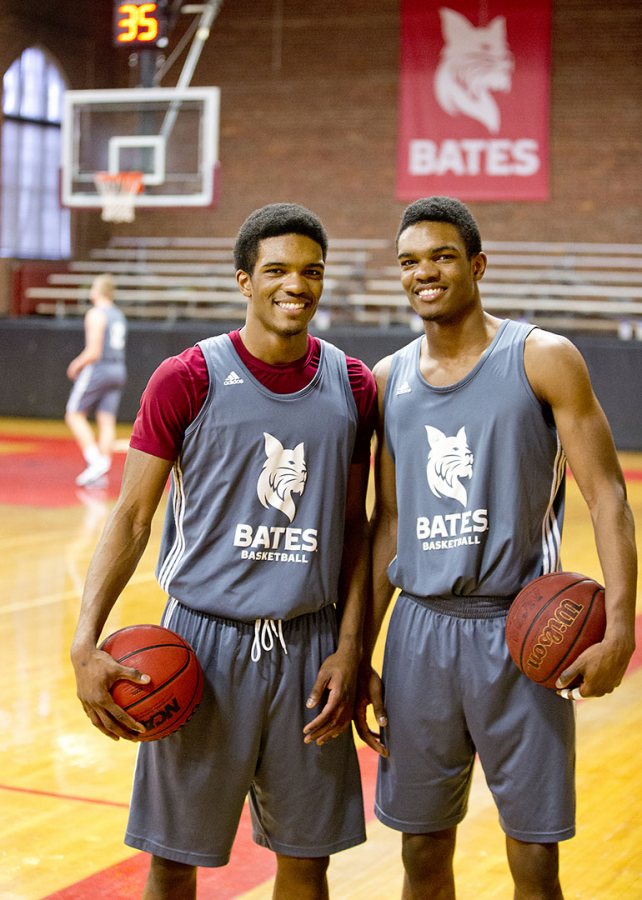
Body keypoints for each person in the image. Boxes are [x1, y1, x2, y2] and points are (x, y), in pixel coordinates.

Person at [70, 203, 376, 900]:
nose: (295, 284)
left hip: (308, 642)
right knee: (175, 860)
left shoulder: (354, 386)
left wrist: (352, 646)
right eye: (276, 270)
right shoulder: (187, 378)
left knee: (306, 861)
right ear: (244, 280)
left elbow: (355, 526)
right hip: (202, 646)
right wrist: (85, 641)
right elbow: (131, 515)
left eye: (311, 271)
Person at [356, 196, 637, 899]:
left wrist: (623, 632)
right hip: (420, 636)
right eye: (410, 261)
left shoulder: (543, 358)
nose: (425, 272)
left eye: (443, 256)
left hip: (525, 631)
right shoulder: (388, 381)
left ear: (477, 265)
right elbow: (387, 522)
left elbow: (608, 497)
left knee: (536, 861)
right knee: (421, 853)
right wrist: (356, 649)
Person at [65, 273, 127, 486]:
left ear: (96, 291)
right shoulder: (118, 315)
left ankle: (95, 461)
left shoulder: (96, 314)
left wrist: (76, 364)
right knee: (106, 419)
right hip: (118, 369)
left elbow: (94, 351)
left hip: (100, 369)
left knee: (74, 414)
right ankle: (103, 465)